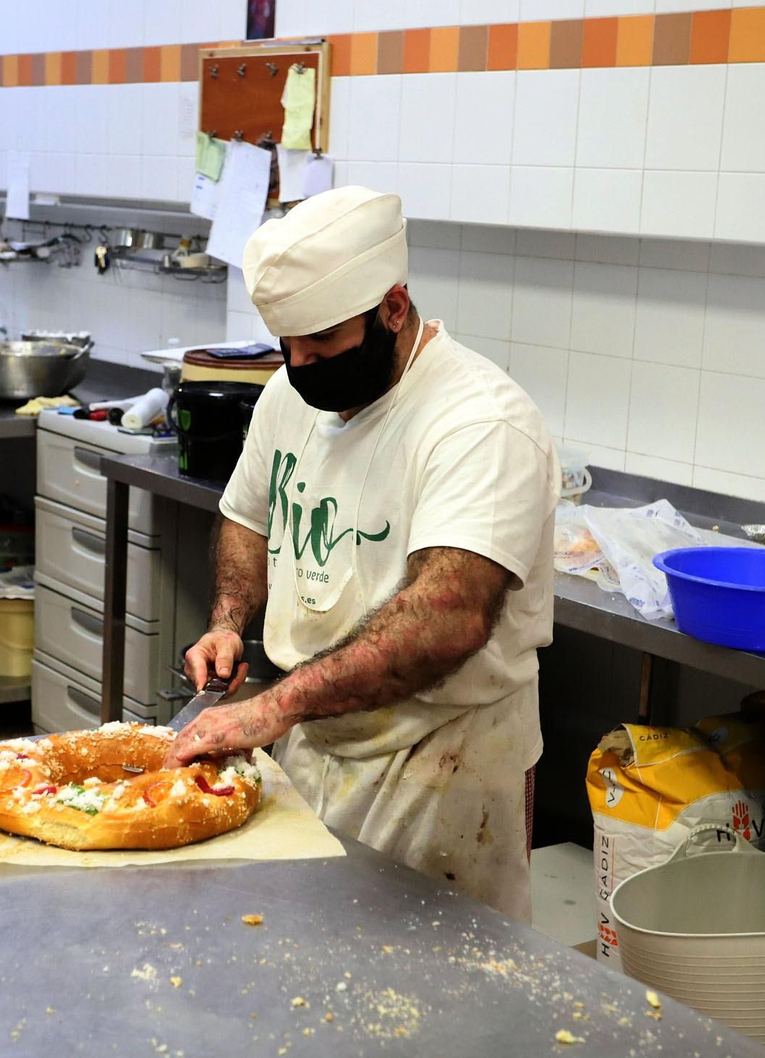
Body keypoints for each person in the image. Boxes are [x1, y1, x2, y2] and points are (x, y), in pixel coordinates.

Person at [166, 186, 558, 920]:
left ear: (394, 308)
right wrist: (227, 620)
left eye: (323, 345)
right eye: (289, 347)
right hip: (316, 737)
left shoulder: (479, 423)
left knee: (425, 1005)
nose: (301, 365)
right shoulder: (291, 392)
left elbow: (447, 618)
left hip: (442, 767)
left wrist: (274, 705)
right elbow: (247, 516)